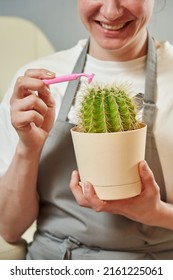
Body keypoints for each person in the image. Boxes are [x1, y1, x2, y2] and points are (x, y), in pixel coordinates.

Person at [0, 0, 173, 260]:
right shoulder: (35, 89)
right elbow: (9, 229)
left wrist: (156, 212)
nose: (111, 11)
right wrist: (28, 147)